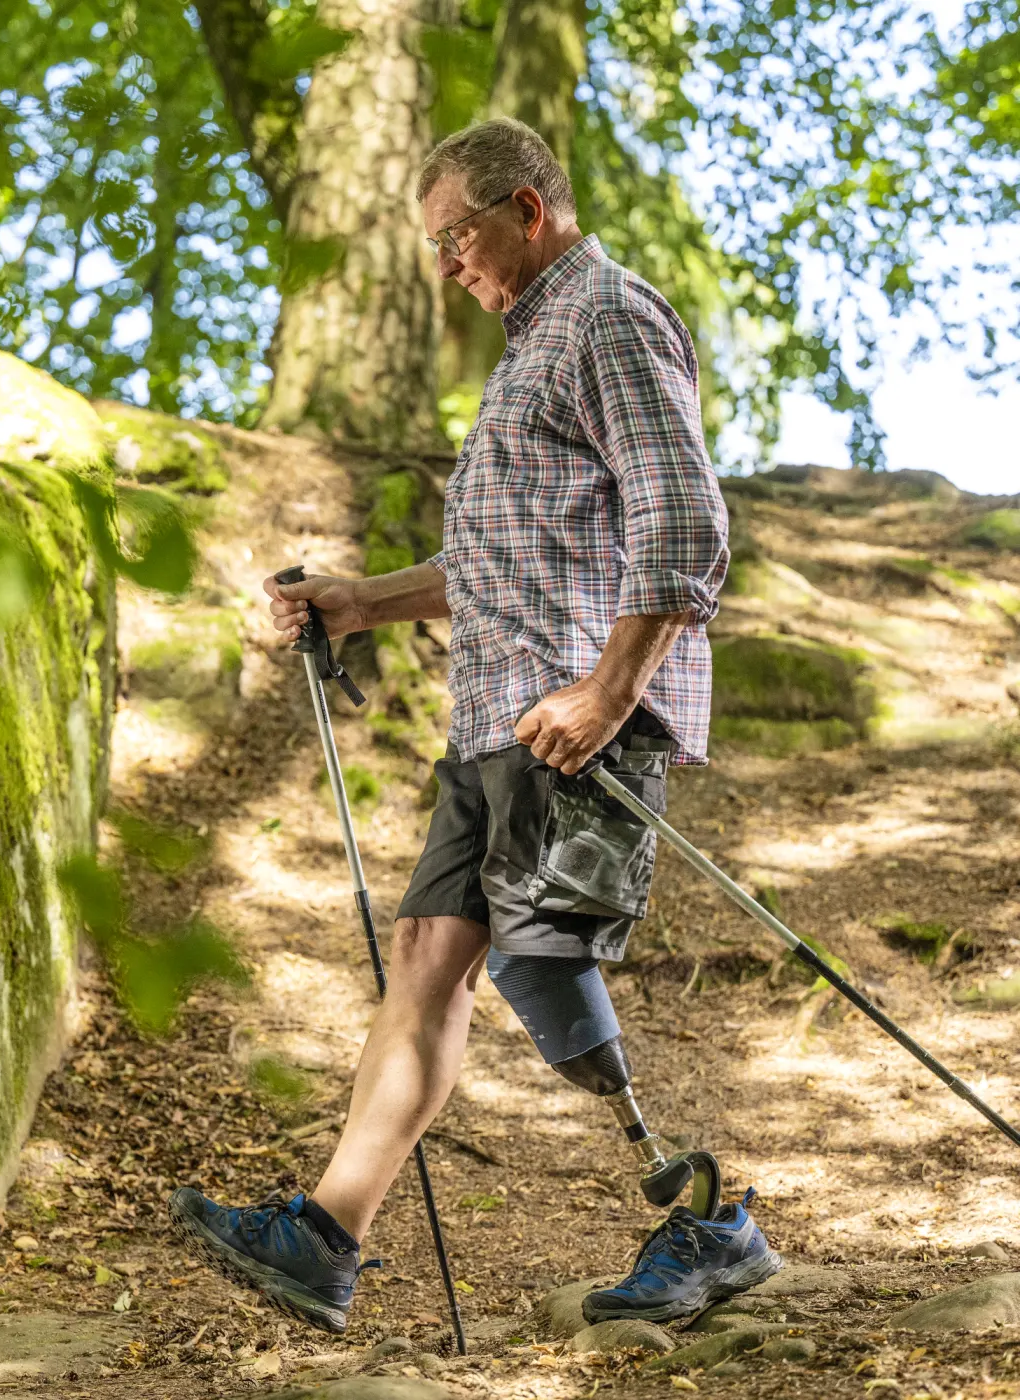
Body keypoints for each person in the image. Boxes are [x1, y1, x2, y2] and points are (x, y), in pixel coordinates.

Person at [169, 116, 779, 1335]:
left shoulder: (605, 316)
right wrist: (363, 601)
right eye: (435, 245)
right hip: (494, 715)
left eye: (455, 235)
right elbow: (495, 555)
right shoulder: (528, 347)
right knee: (426, 961)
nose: (445, 263)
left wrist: (610, 691)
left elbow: (683, 523)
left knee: (540, 964)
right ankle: (326, 1236)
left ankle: (710, 1223)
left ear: (526, 210)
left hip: (570, 717)